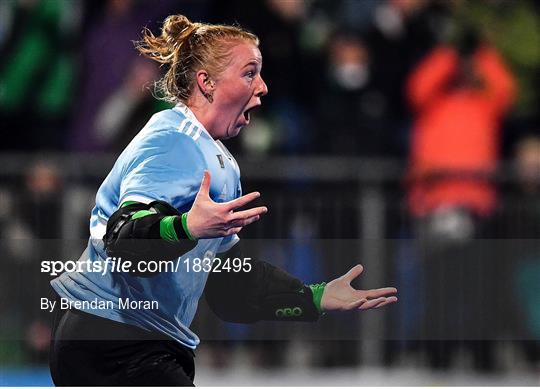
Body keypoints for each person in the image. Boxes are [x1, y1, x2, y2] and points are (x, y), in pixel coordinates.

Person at [49, 15, 398, 386]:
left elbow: (229, 287)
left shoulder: (219, 161)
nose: (263, 87)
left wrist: (314, 297)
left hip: (144, 342)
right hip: (109, 340)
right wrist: (186, 227)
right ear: (207, 83)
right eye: (250, 73)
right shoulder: (172, 140)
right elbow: (123, 237)